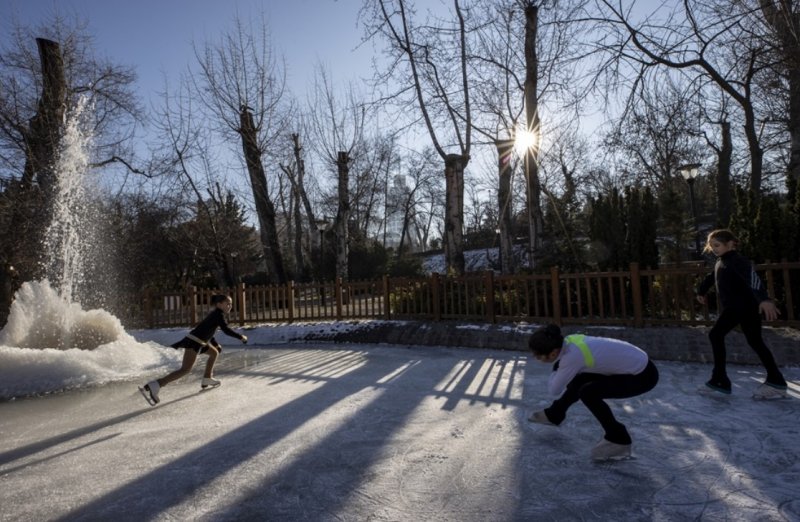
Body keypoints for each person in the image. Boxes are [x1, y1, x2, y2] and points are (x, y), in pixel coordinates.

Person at [527, 324, 659, 461]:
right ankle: (555, 414)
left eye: (538, 356)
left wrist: (556, 369)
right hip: (639, 365)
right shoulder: (570, 340)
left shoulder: (571, 358)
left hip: (643, 377)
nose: (536, 358)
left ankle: (619, 438)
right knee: (579, 380)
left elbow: (554, 390)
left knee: (588, 393)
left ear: (553, 353)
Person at [695, 229, 788, 400]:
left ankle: (720, 380)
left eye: (717, 245)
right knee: (755, 341)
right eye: (712, 246)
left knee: (716, 335)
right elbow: (713, 275)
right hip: (744, 308)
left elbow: (753, 278)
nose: (714, 249)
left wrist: (764, 299)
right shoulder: (722, 261)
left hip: (740, 307)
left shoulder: (738, 260)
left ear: (730, 244)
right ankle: (777, 381)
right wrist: (702, 290)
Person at [140, 294, 248, 405]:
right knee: (185, 369)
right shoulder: (218, 315)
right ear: (219, 304)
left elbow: (208, 330)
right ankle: (156, 385)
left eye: (231, 304)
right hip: (194, 342)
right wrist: (241, 337)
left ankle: (207, 378)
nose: (230, 306)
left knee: (214, 353)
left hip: (200, 341)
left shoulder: (216, 314)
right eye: (227, 303)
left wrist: (215, 344)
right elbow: (226, 330)